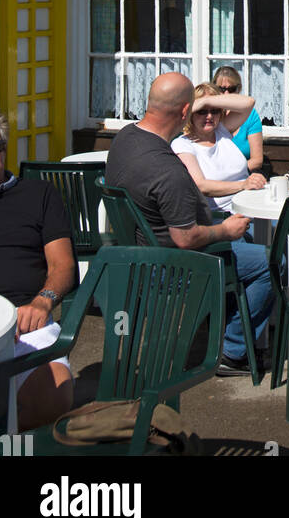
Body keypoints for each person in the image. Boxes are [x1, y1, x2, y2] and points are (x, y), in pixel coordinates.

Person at [105, 73, 273, 376]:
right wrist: (225, 231)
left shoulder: (126, 138)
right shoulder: (168, 169)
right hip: (173, 265)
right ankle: (233, 352)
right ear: (186, 112)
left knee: (261, 240)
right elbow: (186, 238)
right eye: (198, 108)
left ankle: (236, 333)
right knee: (272, 261)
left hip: (138, 253)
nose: (207, 115)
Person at [0, 106, 76, 430]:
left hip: (27, 325)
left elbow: (64, 265)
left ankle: (9, 450)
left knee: (54, 394)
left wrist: (43, 301)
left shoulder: (38, 194)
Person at [172, 83, 267, 209]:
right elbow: (201, 186)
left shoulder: (221, 131)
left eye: (215, 110)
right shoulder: (182, 144)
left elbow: (249, 102)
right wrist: (243, 185)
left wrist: (206, 101)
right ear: (191, 113)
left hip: (250, 203)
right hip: (222, 216)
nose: (209, 116)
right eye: (202, 111)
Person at [211, 66, 264, 172]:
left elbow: (257, 160)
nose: (226, 94)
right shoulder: (210, 115)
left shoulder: (250, 115)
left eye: (231, 89)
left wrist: (232, 173)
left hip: (243, 175)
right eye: (221, 89)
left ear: (238, 89)